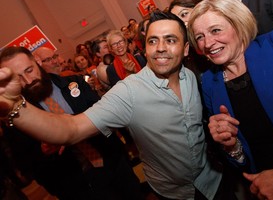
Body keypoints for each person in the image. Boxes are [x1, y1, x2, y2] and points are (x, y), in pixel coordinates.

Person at [0, 11, 228, 200]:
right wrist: (14, 106)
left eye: (170, 40)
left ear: (186, 49)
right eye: (152, 40)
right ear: (144, 47)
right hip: (173, 193)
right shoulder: (129, 91)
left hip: (215, 179)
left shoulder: (194, 76)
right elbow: (71, 130)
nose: (160, 48)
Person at [0, 46, 144, 200]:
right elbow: (25, 163)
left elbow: (108, 118)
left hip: (114, 164)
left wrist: (64, 129)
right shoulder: (16, 115)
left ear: (37, 61)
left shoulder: (74, 83)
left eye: (29, 70)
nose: (28, 81)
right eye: (17, 77)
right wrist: (44, 152)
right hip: (77, 186)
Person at [187, 0, 273, 200]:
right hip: (262, 189)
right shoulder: (209, 82)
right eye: (200, 37)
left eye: (215, 30)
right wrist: (231, 145)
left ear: (238, 24)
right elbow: (241, 159)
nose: (207, 43)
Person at [169, 0, 212, 82]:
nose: (181, 22)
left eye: (184, 14)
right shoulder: (186, 56)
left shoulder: (221, 36)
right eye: (176, 20)